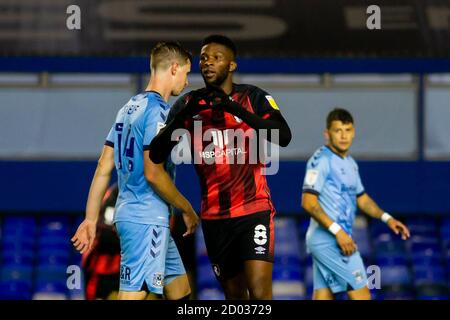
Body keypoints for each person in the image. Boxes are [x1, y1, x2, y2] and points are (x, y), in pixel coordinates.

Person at [149, 35, 292, 300]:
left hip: (254, 211)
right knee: (234, 298)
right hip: (215, 220)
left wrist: (235, 109)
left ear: (232, 65)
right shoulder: (189, 104)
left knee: (260, 295)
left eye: (216, 58)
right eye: (203, 58)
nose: (207, 63)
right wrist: (181, 118)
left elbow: (283, 135)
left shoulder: (254, 97)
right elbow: (156, 154)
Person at [71, 41, 199, 300]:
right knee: (133, 296)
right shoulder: (160, 113)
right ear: (174, 68)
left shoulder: (128, 108)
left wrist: (91, 218)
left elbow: (103, 166)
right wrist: (187, 208)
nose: (186, 82)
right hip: (146, 219)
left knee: (181, 292)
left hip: (136, 216)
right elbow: (154, 174)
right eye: (186, 73)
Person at [301, 108, 411, 300]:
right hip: (331, 241)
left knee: (324, 295)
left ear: (354, 132)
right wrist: (338, 232)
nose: (344, 136)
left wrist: (387, 218)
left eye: (348, 130)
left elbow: (362, 199)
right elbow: (308, 203)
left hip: (333, 239)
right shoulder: (321, 161)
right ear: (327, 134)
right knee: (362, 296)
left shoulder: (350, 163)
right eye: (338, 131)